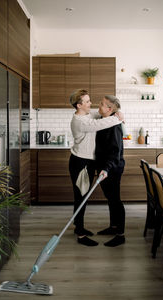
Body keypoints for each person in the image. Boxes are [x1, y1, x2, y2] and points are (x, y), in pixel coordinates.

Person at [69, 89, 123, 247]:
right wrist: (119, 118)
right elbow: (100, 123)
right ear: (79, 105)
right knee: (81, 198)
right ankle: (80, 233)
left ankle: (79, 227)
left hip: (88, 161)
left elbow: (104, 114)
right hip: (80, 163)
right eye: (86, 101)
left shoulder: (87, 114)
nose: (90, 103)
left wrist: (118, 112)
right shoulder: (80, 121)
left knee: (83, 196)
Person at [95, 95, 125, 247]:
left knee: (115, 200)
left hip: (112, 168)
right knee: (110, 198)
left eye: (102, 104)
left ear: (110, 109)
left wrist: (106, 169)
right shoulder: (104, 121)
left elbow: (115, 152)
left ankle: (120, 234)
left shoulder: (114, 126)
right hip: (105, 167)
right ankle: (113, 227)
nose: (98, 106)